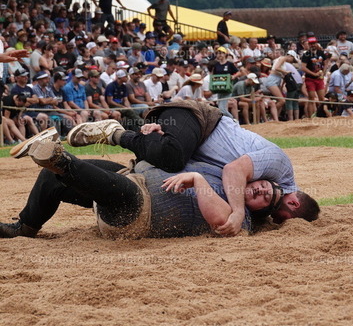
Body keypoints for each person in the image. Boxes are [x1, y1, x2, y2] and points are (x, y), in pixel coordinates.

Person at [65, 100, 320, 234]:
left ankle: (152, 138)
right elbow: (234, 170)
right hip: (200, 120)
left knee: (169, 158)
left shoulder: (267, 198)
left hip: (187, 139)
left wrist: (162, 138)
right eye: (284, 219)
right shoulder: (281, 168)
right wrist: (238, 212)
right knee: (173, 158)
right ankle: (116, 133)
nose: (276, 220)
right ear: (293, 203)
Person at [0, 135, 297, 239]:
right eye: (264, 186)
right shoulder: (226, 176)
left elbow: (219, 220)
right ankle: (25, 227)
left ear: (261, 212)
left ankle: (58, 158)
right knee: (50, 179)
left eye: (265, 198)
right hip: (133, 176)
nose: (261, 191)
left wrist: (198, 180)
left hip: (137, 210)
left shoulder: (241, 219)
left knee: (111, 187)